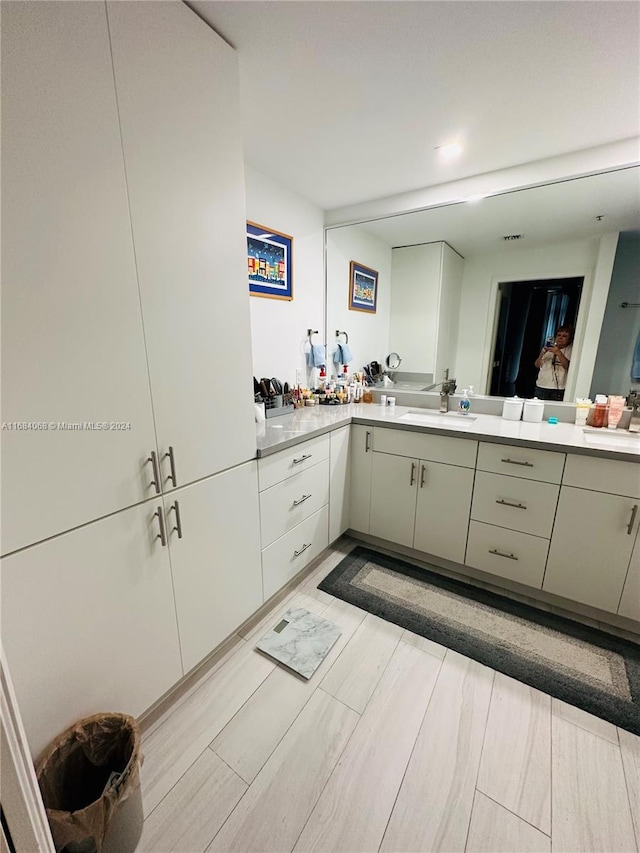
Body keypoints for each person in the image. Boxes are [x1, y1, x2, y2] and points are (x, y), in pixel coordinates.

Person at [534, 326, 573, 400]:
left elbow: (567, 366)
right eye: (559, 335)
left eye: (564, 336)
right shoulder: (548, 348)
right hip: (541, 385)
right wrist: (542, 353)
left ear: (569, 339)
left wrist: (558, 352)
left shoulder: (571, 349)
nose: (560, 338)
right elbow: (537, 365)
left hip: (558, 388)